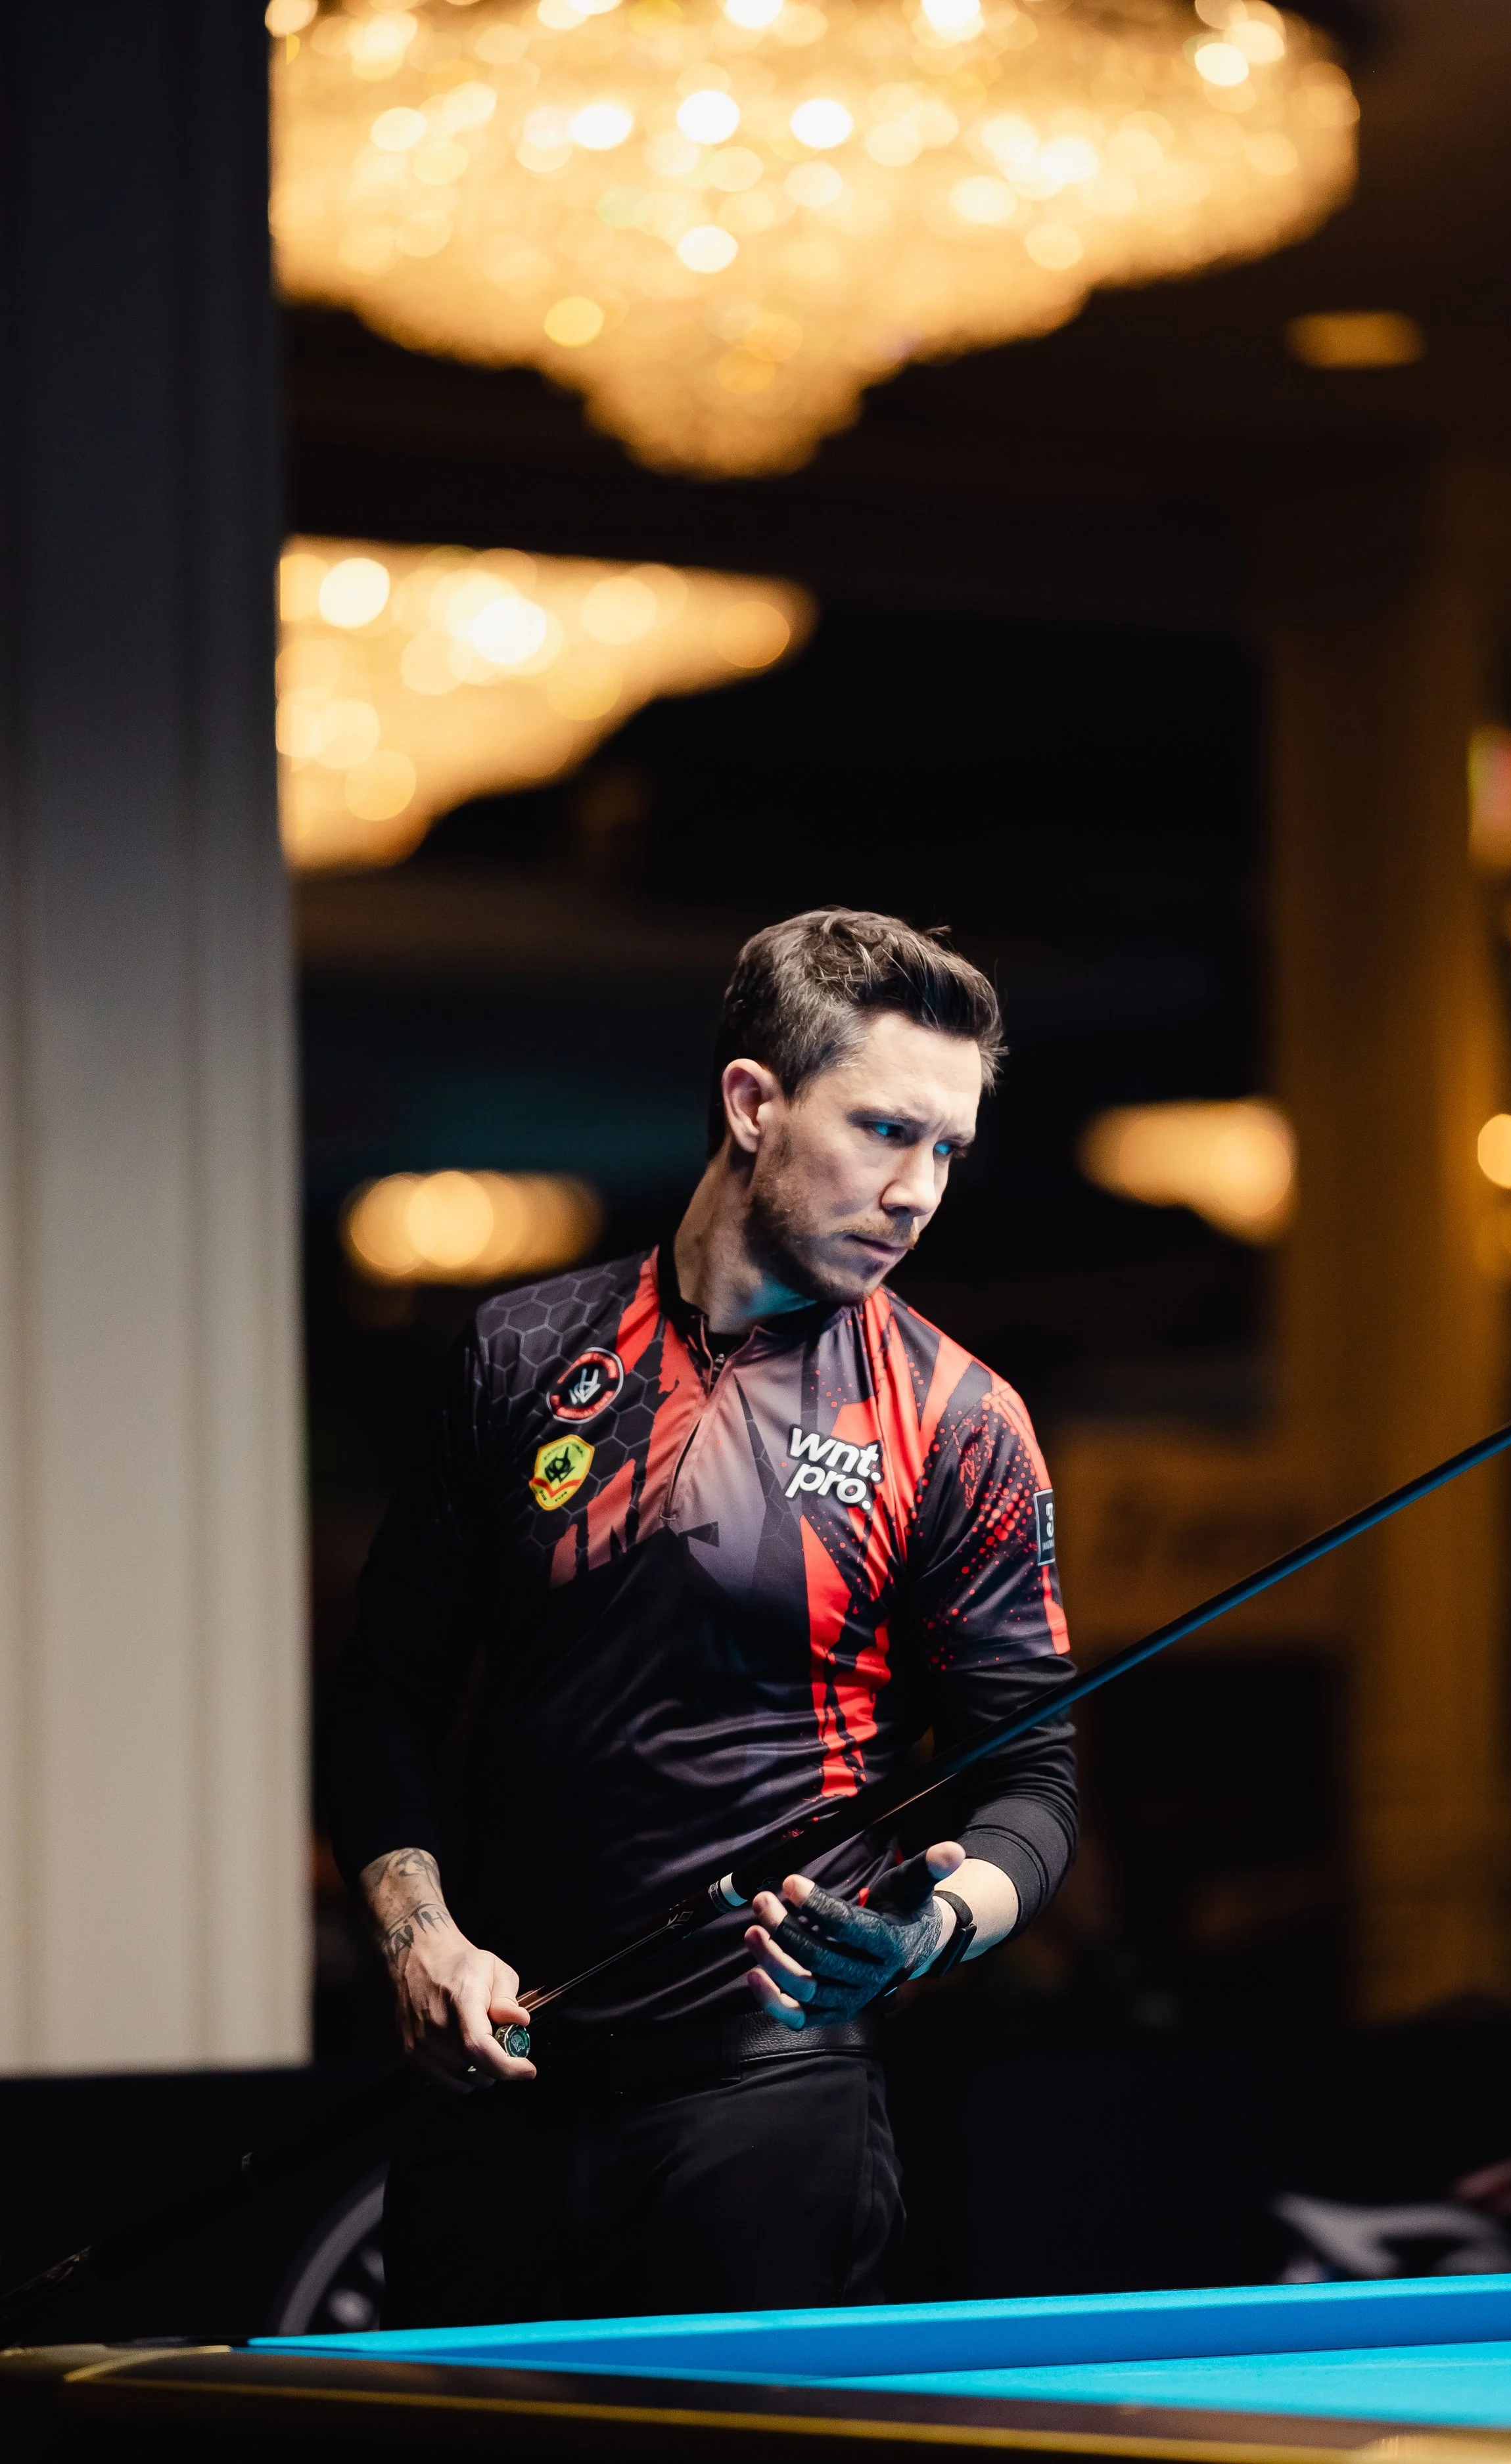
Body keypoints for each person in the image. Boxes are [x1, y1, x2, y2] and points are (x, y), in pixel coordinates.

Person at [325, 907, 1079, 2325]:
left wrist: (928, 1933)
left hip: (766, 2097)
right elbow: (382, 1693)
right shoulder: (521, 1357)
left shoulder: (960, 1424)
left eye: (948, 1151)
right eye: (882, 1131)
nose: (917, 1190)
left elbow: (1030, 1783)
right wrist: (416, 1938)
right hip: (501, 2078)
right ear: (752, 1102)